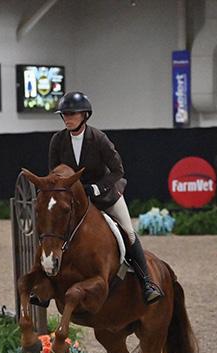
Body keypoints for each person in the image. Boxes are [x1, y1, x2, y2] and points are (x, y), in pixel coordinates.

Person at [48, 91, 163, 304]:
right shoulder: (58, 140)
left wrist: (97, 188)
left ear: (85, 115)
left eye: (72, 114)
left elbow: (118, 170)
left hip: (105, 196)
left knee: (128, 232)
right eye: (64, 114)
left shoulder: (98, 139)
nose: (67, 118)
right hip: (75, 200)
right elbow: (54, 173)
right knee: (53, 231)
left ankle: (147, 283)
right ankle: (46, 283)